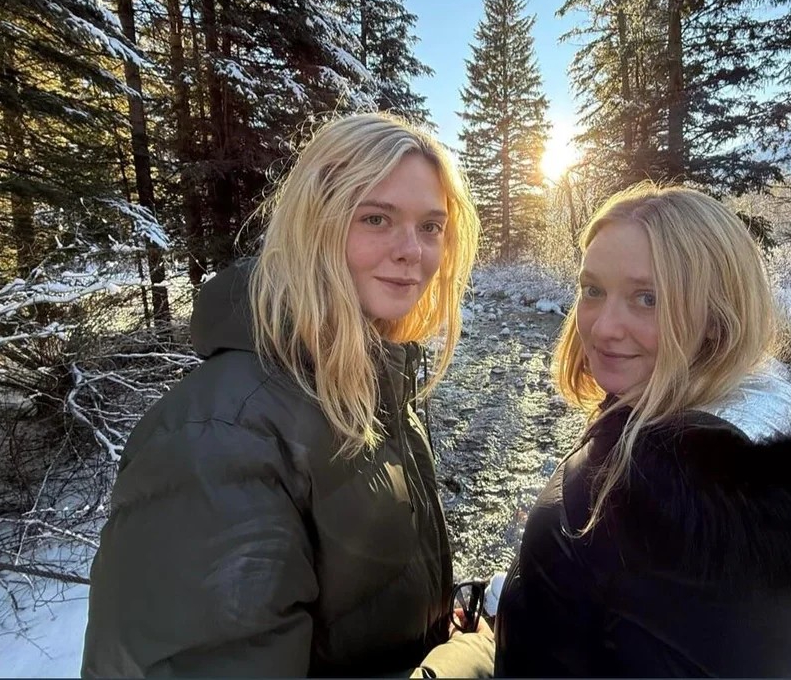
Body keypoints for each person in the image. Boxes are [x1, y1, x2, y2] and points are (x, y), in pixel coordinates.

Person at [82, 113, 494, 677]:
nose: (412, 251)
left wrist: (430, 629)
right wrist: (469, 663)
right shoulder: (221, 440)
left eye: (431, 226)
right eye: (376, 218)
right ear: (313, 224)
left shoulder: (370, 386)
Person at [493, 183, 791, 678]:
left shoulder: (652, 492)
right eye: (593, 289)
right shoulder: (779, 428)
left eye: (647, 298)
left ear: (716, 316)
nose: (602, 327)